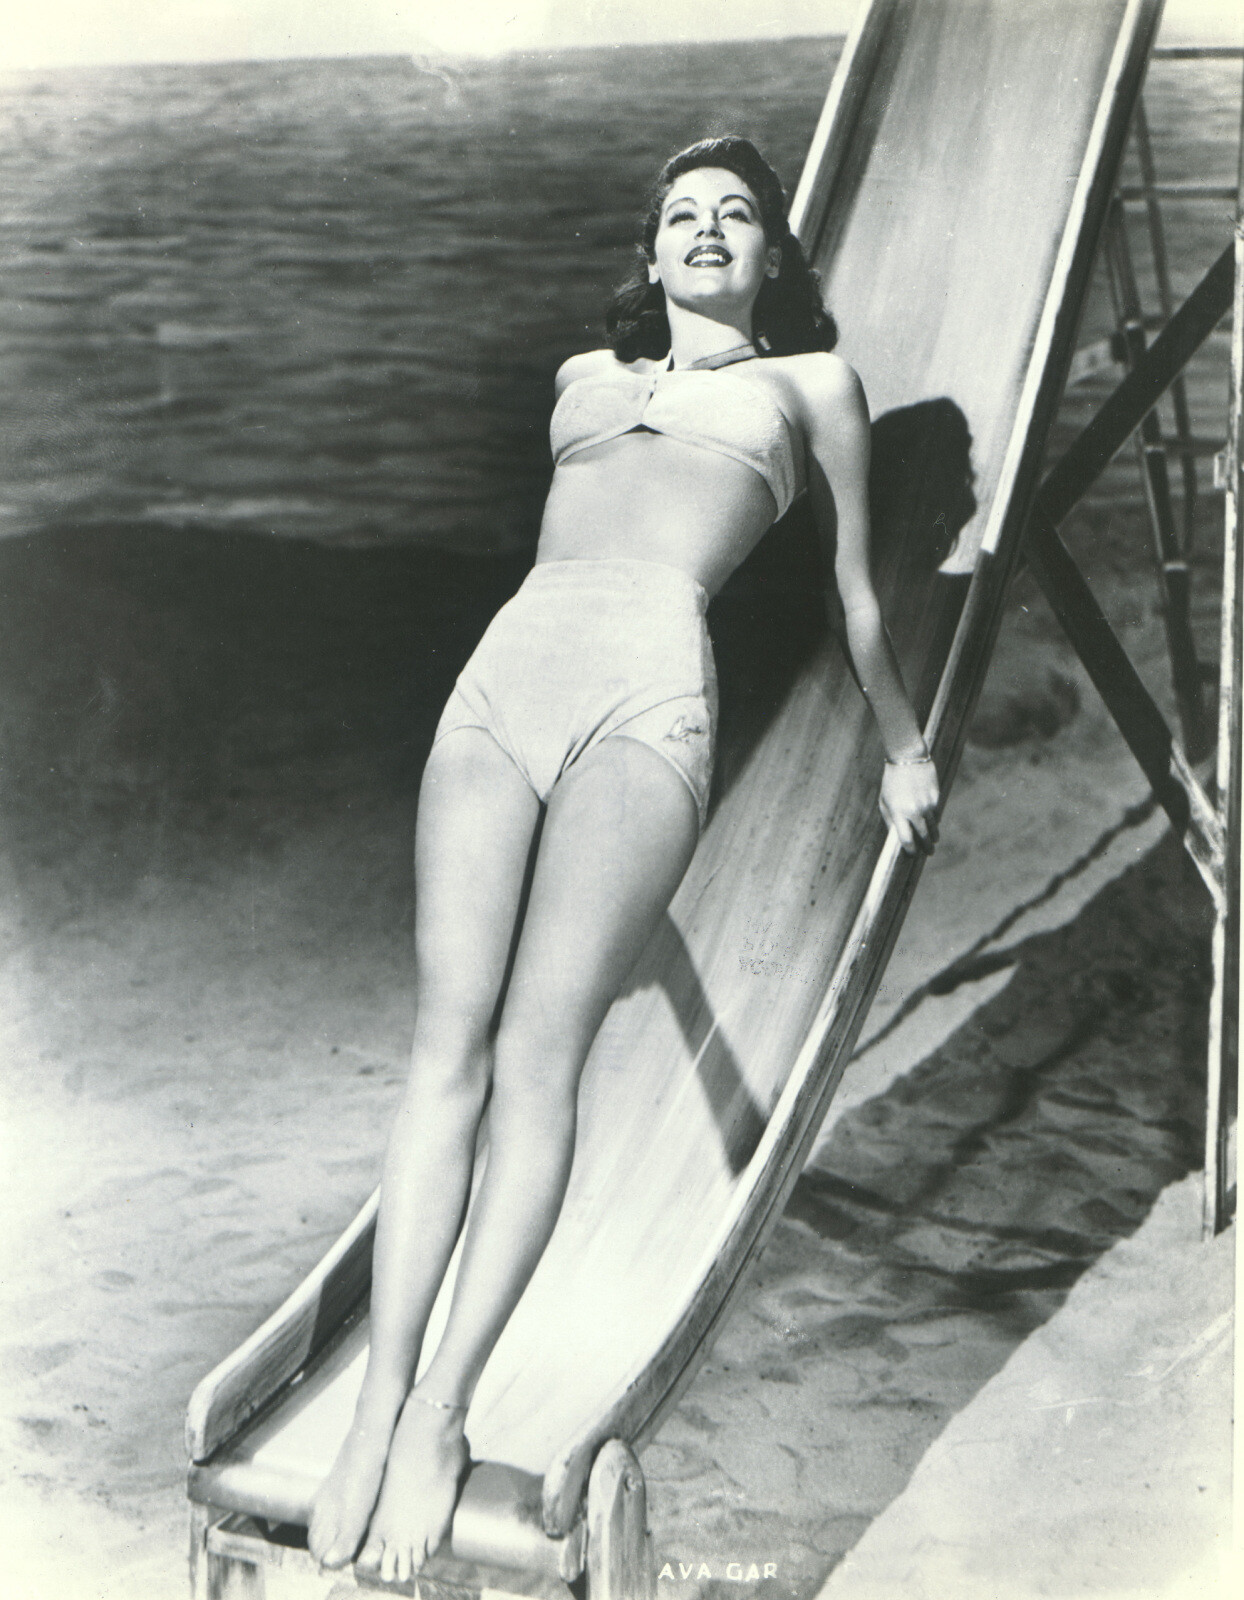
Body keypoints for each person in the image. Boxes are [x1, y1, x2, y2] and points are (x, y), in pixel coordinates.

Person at [308, 135, 939, 1584]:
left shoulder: (814, 388)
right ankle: (375, 1406)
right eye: (681, 215)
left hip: (647, 698)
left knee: (538, 1057)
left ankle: (441, 1412)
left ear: (773, 256)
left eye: (737, 214)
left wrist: (903, 746)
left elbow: (852, 598)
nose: (707, 229)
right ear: (649, 257)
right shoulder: (580, 380)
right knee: (442, 1050)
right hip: (501, 680)